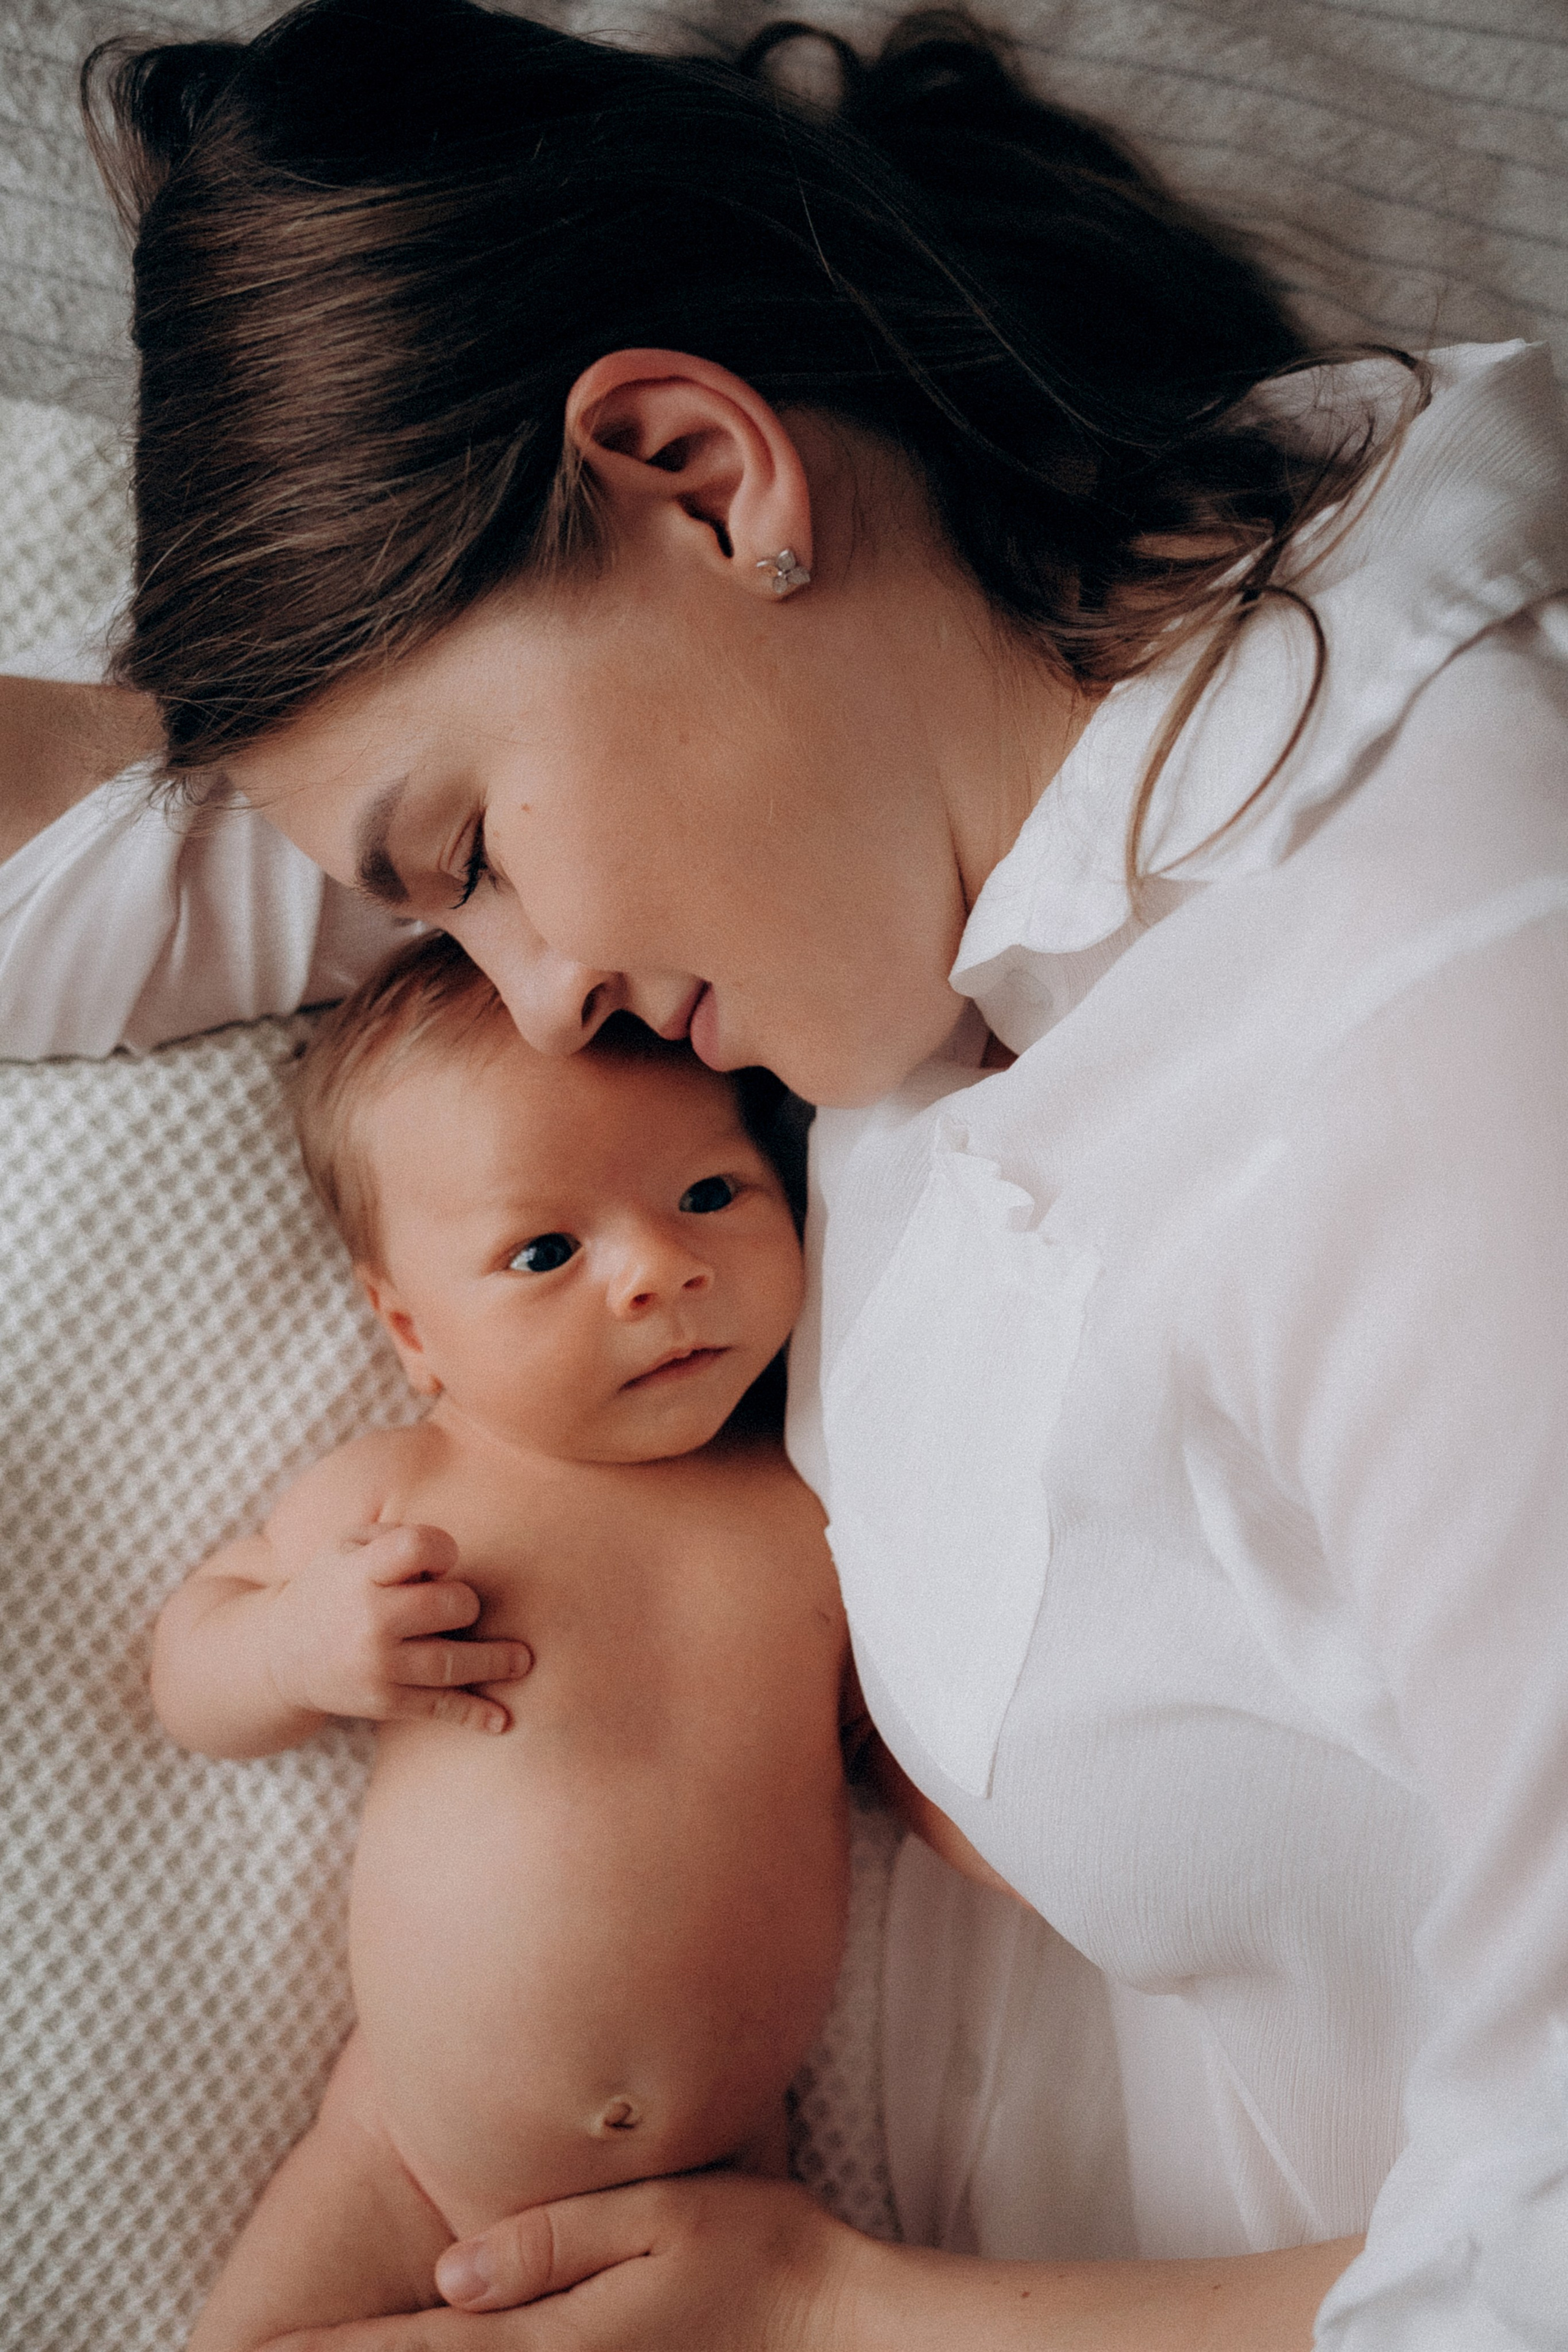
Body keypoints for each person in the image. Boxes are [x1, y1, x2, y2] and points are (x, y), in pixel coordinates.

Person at [5, 0, 1563, 2340]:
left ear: (708, 472)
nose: (538, 1006)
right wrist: (287, 660)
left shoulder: (1455, 1033)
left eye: (473, 853)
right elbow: (94, 894)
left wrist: (835, 2319)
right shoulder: (998, 703)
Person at [152, 931, 851, 2349]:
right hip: (412, 2159)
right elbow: (190, 1670)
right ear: (412, 1329)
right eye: (545, 1250)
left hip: (720, 2186)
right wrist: (294, 1648)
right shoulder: (404, 1498)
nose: (657, 1270)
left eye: (709, 1194)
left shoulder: (813, 1499)